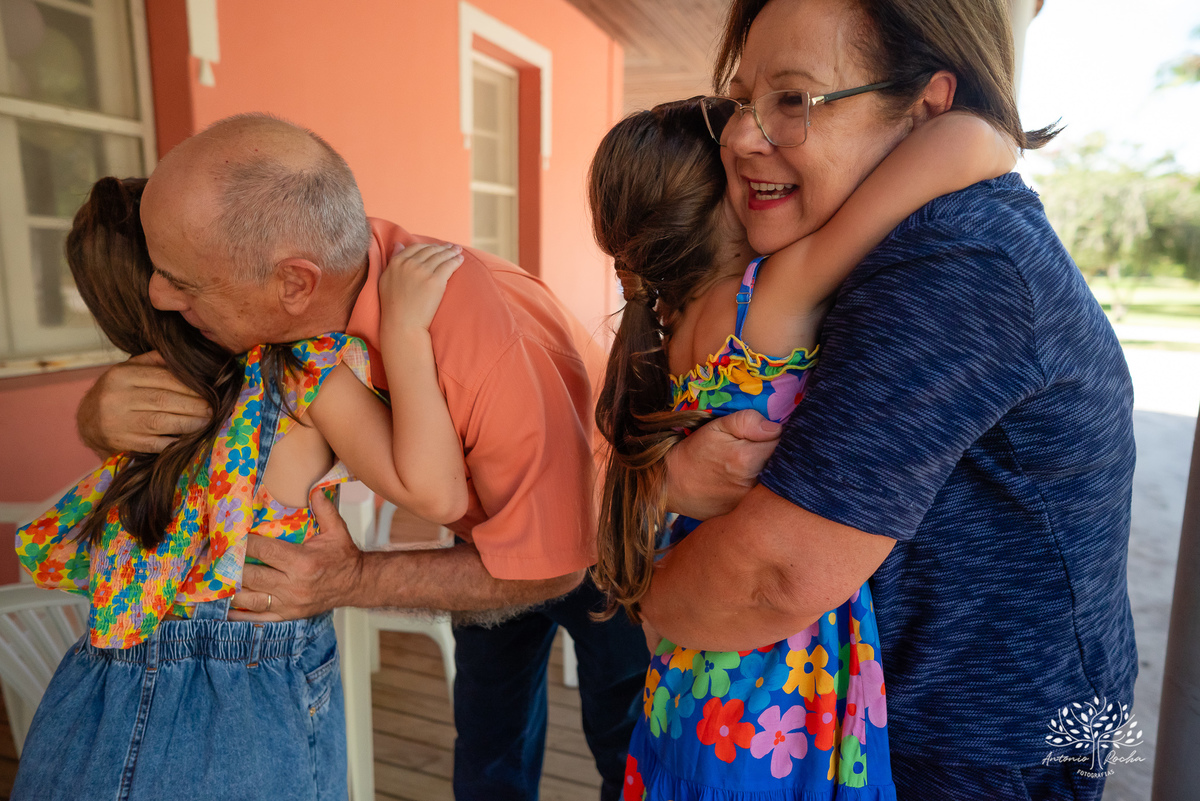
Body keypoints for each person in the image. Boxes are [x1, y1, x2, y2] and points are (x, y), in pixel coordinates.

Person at [637, 2, 1137, 800]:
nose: (737, 135)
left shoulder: (957, 258)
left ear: (926, 107)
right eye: (740, 99)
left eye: (793, 100)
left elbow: (770, 576)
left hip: (976, 746)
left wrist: (636, 589)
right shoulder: (857, 251)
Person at [73, 113, 648, 801]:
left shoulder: (480, 346)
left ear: (293, 282)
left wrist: (349, 580)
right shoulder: (282, 309)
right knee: (490, 733)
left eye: (181, 284)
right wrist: (99, 410)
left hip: (600, 529)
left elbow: (551, 568)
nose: (161, 296)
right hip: (482, 531)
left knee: (626, 731)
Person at [589, 97, 1013, 799]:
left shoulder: (664, 332)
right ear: (723, 196)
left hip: (686, 674)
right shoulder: (770, 299)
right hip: (775, 683)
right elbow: (971, 144)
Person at [14, 174, 468, 799]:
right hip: (245, 707)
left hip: (90, 708)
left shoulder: (137, 410)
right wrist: (406, 332)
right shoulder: (296, 372)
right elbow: (437, 493)